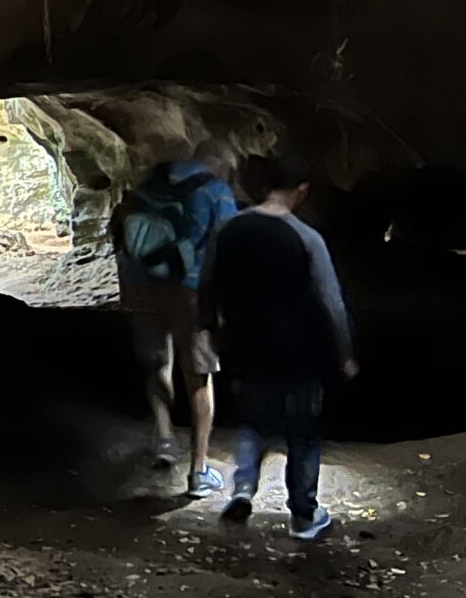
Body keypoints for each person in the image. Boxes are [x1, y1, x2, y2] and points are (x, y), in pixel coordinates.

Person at [200, 152, 356, 540]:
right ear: (301, 190)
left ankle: (243, 488)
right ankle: (303, 515)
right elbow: (331, 301)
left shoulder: (229, 229)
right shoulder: (306, 237)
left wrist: (209, 329)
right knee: (303, 430)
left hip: (246, 342)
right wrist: (344, 352)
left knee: (252, 419)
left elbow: (208, 284)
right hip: (302, 348)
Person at [115, 138, 238, 497]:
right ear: (221, 163)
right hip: (190, 291)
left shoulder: (154, 178)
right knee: (198, 376)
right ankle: (198, 472)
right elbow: (232, 242)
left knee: (157, 362)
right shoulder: (216, 190)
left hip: (142, 285)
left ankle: (165, 439)